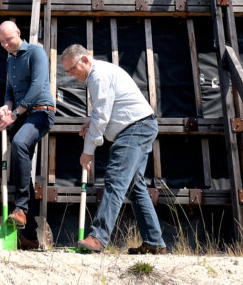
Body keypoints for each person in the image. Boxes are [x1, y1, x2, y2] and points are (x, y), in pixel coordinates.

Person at [60, 44, 167, 255]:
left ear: (85, 60)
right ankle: (154, 241)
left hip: (134, 128)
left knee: (116, 179)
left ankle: (98, 237)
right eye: (68, 72)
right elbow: (107, 111)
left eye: (72, 69)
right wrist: (91, 124)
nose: (71, 75)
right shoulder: (100, 74)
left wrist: (88, 150)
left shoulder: (98, 76)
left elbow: (101, 116)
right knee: (134, 186)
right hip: (140, 126)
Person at [0, 20, 55, 250]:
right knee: (22, 171)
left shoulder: (35, 52)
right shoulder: (10, 59)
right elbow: (9, 92)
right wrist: (6, 107)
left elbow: (39, 86)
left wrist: (16, 113)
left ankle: (20, 209)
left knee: (19, 142)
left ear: (18, 33)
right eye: (1, 42)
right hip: (22, 116)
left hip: (41, 112)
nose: (6, 44)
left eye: (8, 39)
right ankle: (30, 237)